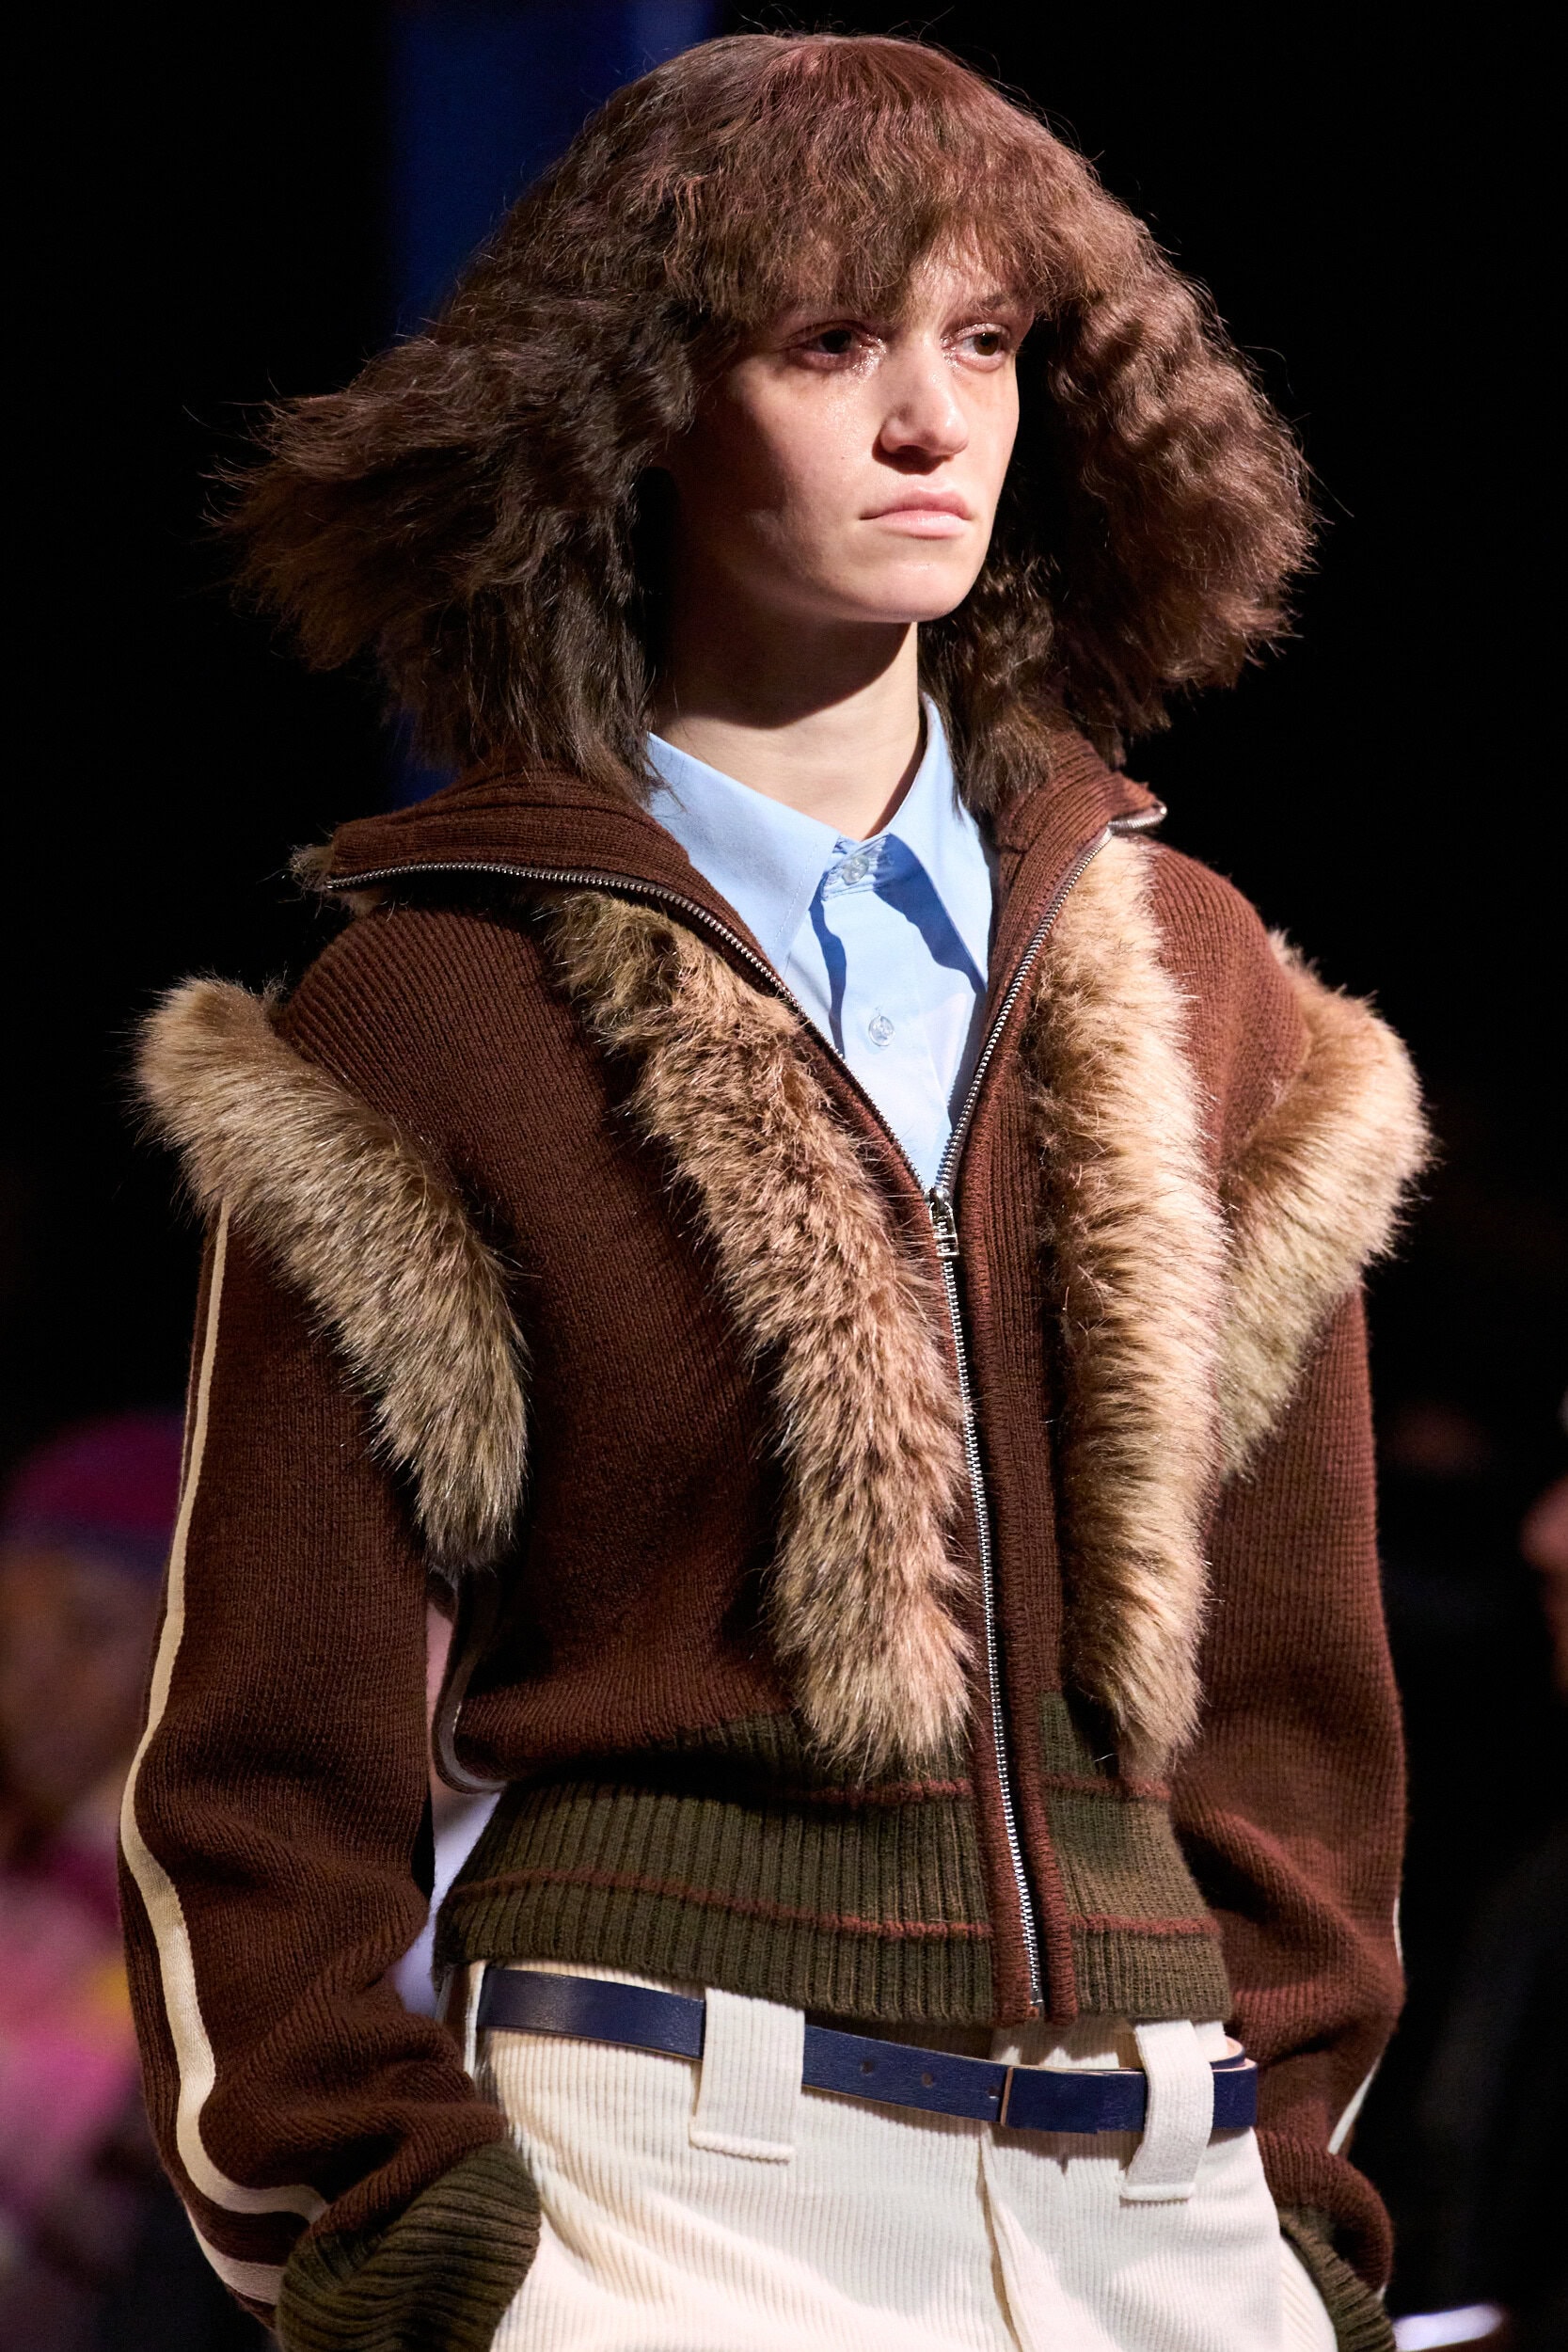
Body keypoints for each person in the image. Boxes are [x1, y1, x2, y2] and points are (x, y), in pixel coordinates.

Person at [124, 33, 1429, 2352]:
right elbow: (262, 1772)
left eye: (987, 340)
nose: (932, 421)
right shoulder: (435, 1006)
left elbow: (1299, 1718)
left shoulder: (1203, 974)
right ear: (635, 405)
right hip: (664, 2195)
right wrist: (433, 2264)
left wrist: (1294, 2219)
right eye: (830, 340)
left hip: (1167, 2206)